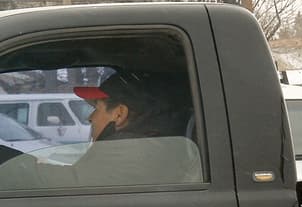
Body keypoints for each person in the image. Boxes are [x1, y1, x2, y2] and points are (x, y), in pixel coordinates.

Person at [0, 70, 198, 188]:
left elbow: (57, 185)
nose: (90, 117)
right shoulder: (150, 146)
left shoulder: (131, 153)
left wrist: (9, 162)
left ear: (119, 114)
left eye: (96, 108)